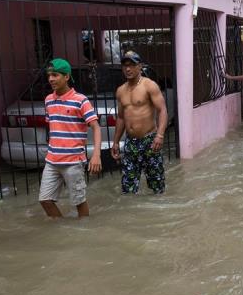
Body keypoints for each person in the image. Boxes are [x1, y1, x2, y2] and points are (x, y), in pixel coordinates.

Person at [39, 58, 102, 218]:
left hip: (73, 161)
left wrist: (96, 155)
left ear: (66, 77)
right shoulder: (48, 100)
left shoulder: (80, 100)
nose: (51, 79)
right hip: (52, 161)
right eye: (49, 75)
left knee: (79, 202)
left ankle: (84, 233)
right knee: (45, 200)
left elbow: (96, 127)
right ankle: (62, 229)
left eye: (55, 75)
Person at [111, 51, 168, 194]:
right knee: (128, 186)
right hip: (131, 143)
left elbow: (162, 110)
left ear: (140, 66)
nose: (128, 69)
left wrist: (159, 135)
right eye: (125, 66)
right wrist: (116, 142)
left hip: (150, 140)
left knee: (157, 185)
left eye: (132, 65)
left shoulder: (149, 86)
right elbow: (121, 117)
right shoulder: (120, 91)